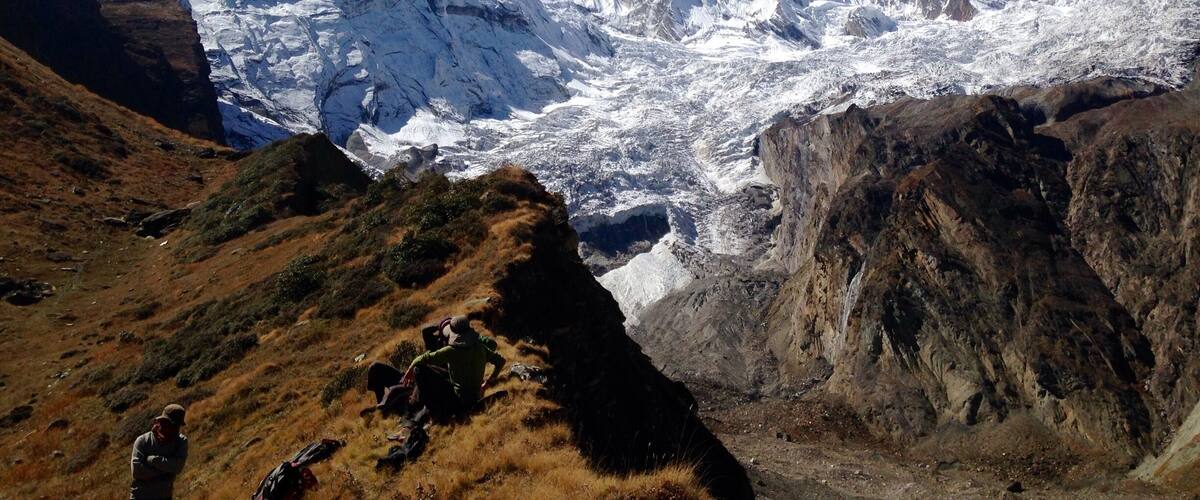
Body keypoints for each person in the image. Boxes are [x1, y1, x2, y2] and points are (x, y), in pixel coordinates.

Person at [401, 315, 505, 421]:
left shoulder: (451, 351)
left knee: (418, 370)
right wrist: (487, 383)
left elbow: (422, 359)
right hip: (476, 396)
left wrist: (409, 370)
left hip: (458, 400)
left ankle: (434, 413)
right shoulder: (480, 347)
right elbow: (501, 361)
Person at [130, 403, 189, 500]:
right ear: (161, 422)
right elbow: (137, 472)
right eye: (172, 425)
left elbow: (178, 467)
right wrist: (166, 471)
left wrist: (152, 460)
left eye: (177, 426)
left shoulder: (181, 441)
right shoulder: (143, 441)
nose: (175, 430)